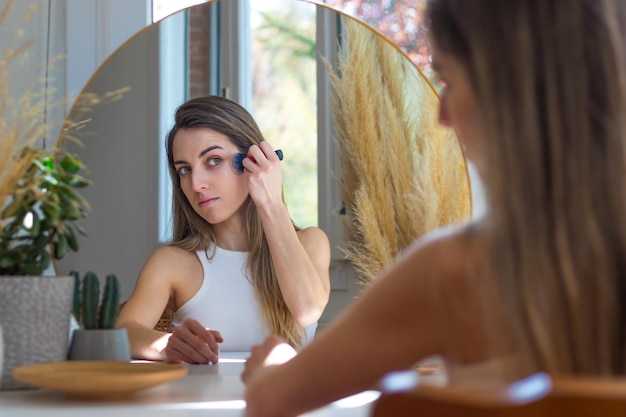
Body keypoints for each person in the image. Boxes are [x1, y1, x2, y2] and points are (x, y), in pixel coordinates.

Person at [241, 0, 626, 415]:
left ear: (508, 93)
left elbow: (270, 400)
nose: (443, 115)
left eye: (449, 83)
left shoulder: (454, 272)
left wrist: (277, 366)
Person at [115, 95, 331, 363]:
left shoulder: (311, 242)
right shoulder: (172, 263)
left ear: (254, 160)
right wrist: (167, 345)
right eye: (184, 170)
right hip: (201, 404)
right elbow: (122, 333)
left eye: (213, 160)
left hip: (286, 404)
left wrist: (270, 202)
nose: (196, 184)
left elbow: (307, 310)